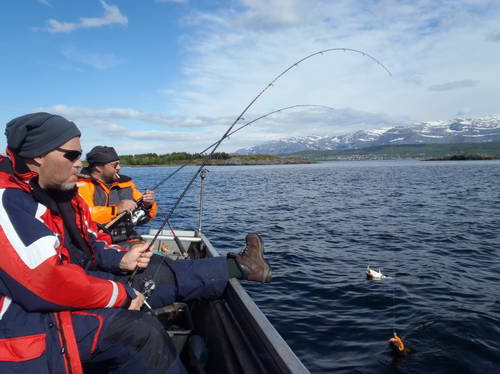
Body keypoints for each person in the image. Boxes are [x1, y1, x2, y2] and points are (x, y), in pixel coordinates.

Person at [0, 112, 272, 374]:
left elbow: (91, 240)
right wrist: (120, 294)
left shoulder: (63, 193)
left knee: (156, 271)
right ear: (37, 157)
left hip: (70, 285)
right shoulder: (7, 201)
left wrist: (120, 259)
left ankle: (242, 266)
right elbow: (47, 281)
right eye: (72, 155)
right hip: (22, 321)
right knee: (141, 333)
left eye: (80, 156)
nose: (78, 163)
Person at [77, 145, 157, 245]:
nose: (119, 168)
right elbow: (84, 215)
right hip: (98, 244)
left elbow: (143, 220)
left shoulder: (126, 184)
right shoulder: (82, 186)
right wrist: (116, 210)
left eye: (119, 164)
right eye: (114, 165)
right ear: (98, 168)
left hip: (130, 240)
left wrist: (148, 205)